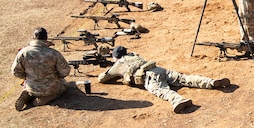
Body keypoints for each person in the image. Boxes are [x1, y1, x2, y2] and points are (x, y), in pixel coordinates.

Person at [98, 46, 230, 114]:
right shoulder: (133, 55)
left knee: (163, 90)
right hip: (158, 69)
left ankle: (179, 100)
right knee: (184, 78)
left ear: (116, 57)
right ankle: (210, 82)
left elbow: (102, 79)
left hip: (148, 78)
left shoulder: (118, 64)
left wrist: (112, 66)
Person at [11, 27, 70, 111]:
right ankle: (41, 100)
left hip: (31, 86)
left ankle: (28, 94)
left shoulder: (23, 52)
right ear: (46, 38)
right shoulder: (53, 53)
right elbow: (65, 71)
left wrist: (27, 77)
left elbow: (15, 71)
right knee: (63, 86)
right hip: (51, 87)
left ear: (34, 37)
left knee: (30, 88)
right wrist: (57, 76)